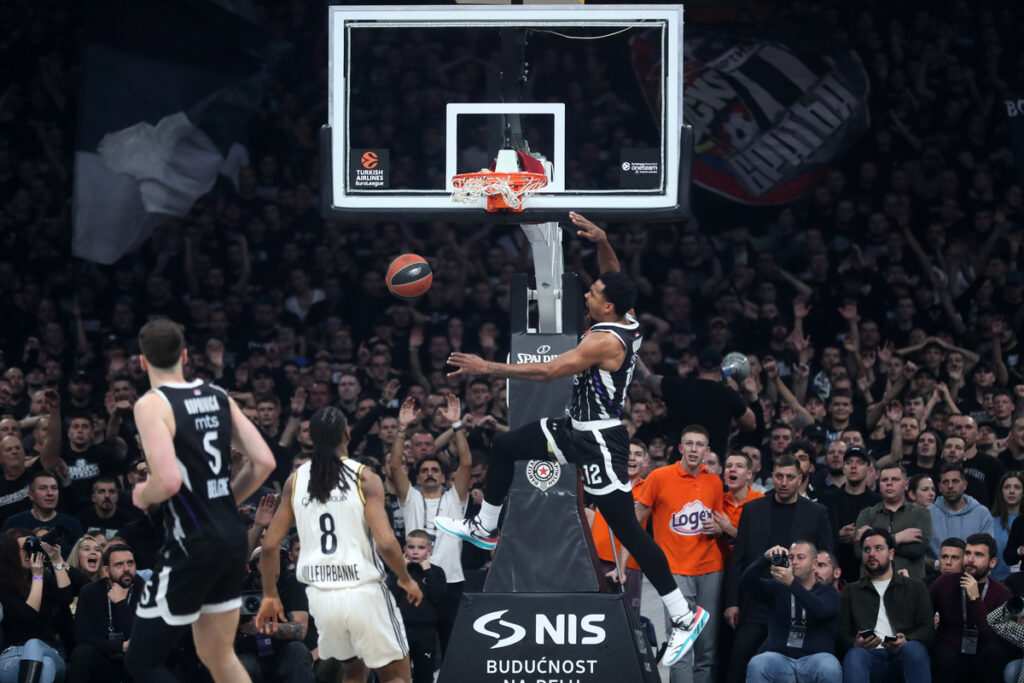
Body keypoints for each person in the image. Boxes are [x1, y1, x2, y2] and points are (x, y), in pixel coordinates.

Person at [437, 212, 709, 668]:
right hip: (575, 429)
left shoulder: (605, 341)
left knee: (627, 531)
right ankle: (485, 528)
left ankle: (683, 614)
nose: (587, 292)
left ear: (606, 309)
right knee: (505, 447)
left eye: (593, 293)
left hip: (599, 440)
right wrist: (603, 240)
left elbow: (546, 371)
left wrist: (488, 368)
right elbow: (613, 276)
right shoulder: (629, 318)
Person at [123, 319, 276, 683]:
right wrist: (223, 502)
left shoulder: (151, 404)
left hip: (193, 542)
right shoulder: (218, 395)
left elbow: (167, 481)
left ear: (142, 362)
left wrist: (141, 494)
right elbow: (265, 462)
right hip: (231, 539)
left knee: (140, 662)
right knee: (217, 655)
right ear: (185, 355)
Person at [254, 406, 422, 683]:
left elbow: (271, 546)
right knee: (397, 678)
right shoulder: (364, 477)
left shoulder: (295, 481)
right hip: (362, 592)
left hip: (322, 598)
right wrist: (405, 578)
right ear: (346, 433)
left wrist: (270, 595)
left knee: (353, 674)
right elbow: (386, 543)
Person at [722, 455, 834, 683]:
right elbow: (738, 558)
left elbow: (826, 558)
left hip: (796, 602)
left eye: (790, 477)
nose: (784, 482)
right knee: (739, 660)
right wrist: (732, 602)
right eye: (779, 476)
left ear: (800, 479)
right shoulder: (752, 509)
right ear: (772, 477)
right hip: (756, 598)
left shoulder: (816, 511)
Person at [629, 424, 725, 683]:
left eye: (700, 444)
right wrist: (625, 555)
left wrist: (718, 528)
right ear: (681, 448)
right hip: (673, 569)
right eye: (689, 444)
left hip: (710, 568)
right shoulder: (659, 477)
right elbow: (636, 519)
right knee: (681, 644)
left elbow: (719, 526)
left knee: (706, 647)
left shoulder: (715, 481)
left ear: (707, 450)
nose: (694, 449)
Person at [389, 395, 470, 655]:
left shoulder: (454, 499)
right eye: (424, 471)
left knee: (451, 650)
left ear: (444, 477)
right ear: (418, 477)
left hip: (451, 582)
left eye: (435, 470)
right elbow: (394, 466)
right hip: (415, 579)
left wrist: (456, 426)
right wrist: (402, 429)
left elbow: (466, 463)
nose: (430, 473)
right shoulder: (410, 498)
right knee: (417, 648)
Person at [838, 528, 934, 683]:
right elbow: (841, 634)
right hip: (868, 656)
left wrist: (907, 640)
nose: (871, 554)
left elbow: (928, 629)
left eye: (878, 548)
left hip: (903, 654)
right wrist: (855, 643)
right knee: (855, 654)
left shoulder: (915, 587)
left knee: (914, 649)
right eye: (867, 549)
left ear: (891, 554)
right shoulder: (851, 591)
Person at [741, 540, 842, 683]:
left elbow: (818, 610)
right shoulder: (777, 588)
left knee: (829, 666)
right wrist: (764, 558)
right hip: (780, 659)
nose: (794, 562)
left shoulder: (828, 592)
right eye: (791, 557)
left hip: (815, 660)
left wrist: (791, 583)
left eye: (800, 557)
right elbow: (746, 582)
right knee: (758, 663)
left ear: (814, 564)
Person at [637, 346, 756, 462]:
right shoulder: (728, 394)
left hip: (681, 462)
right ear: (721, 368)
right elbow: (751, 424)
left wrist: (631, 351)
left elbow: (647, 380)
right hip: (711, 463)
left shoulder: (679, 386)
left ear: (698, 367)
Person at [928, 533, 1013, 683]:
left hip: (981, 655)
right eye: (968, 553)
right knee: (943, 654)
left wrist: (975, 599)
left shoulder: (1002, 593)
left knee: (995, 652)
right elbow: (925, 614)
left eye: (978, 554)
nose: (971, 559)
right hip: (949, 653)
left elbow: (994, 639)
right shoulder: (946, 581)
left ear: (992, 562)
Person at [589, 438, 649, 620]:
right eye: (628, 454)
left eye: (638, 455)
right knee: (595, 617)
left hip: (630, 564)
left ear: (646, 462)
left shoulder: (648, 489)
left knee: (628, 619)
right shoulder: (603, 482)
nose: (632, 458)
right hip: (597, 561)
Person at [0, 532, 72, 683]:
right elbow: (28, 616)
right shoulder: (4, 587)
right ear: (12, 554)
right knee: (46, 666)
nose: (29, 553)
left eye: (32, 547)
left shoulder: (47, 582)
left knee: (35, 645)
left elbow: (66, 598)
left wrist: (56, 559)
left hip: (49, 650)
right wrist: (37, 576)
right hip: (14, 654)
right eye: (25, 548)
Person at [67, 544, 144, 683]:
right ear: (106, 571)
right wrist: (120, 647)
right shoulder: (90, 591)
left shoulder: (145, 591)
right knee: (81, 653)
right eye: (119, 565)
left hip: (134, 662)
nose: (127, 569)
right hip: (103, 659)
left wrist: (121, 603)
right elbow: (83, 637)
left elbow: (142, 637)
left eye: (130, 563)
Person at [387, 530, 446, 683]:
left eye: (421, 548)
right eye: (411, 547)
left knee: (424, 677)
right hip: (400, 631)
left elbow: (439, 599)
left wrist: (427, 570)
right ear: (404, 549)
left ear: (429, 550)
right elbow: (389, 599)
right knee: (398, 677)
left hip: (425, 632)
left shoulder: (437, 572)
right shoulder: (396, 572)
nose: (415, 552)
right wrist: (401, 571)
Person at [854, 464, 933, 579]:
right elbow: (859, 551)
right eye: (884, 480)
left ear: (906, 485)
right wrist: (898, 538)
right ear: (879, 485)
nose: (889, 483)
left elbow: (918, 549)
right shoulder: (867, 514)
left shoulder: (921, 513)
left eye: (895, 479)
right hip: (873, 587)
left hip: (910, 586)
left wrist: (875, 545)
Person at [821, 446, 881, 582]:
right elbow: (821, 535)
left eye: (859, 463)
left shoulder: (877, 501)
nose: (853, 467)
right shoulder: (828, 500)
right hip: (835, 568)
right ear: (843, 468)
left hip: (868, 569)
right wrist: (837, 535)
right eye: (849, 463)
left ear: (868, 469)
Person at [927, 464, 994, 567]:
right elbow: (920, 553)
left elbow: (988, 551)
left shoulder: (982, 514)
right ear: (940, 487)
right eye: (945, 482)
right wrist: (938, 564)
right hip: (937, 576)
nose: (950, 486)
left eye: (955, 481)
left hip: (973, 575)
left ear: (964, 485)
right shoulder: (928, 514)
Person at [2, 473, 83, 553]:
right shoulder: (13, 523)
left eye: (54, 488)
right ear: (31, 495)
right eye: (43, 488)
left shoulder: (72, 525)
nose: (50, 493)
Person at [991, 471, 1023, 580]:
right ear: (1001, 491)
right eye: (1007, 487)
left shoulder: (1021, 522)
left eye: (1017, 487)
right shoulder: (989, 521)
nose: (1012, 491)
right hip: (996, 582)